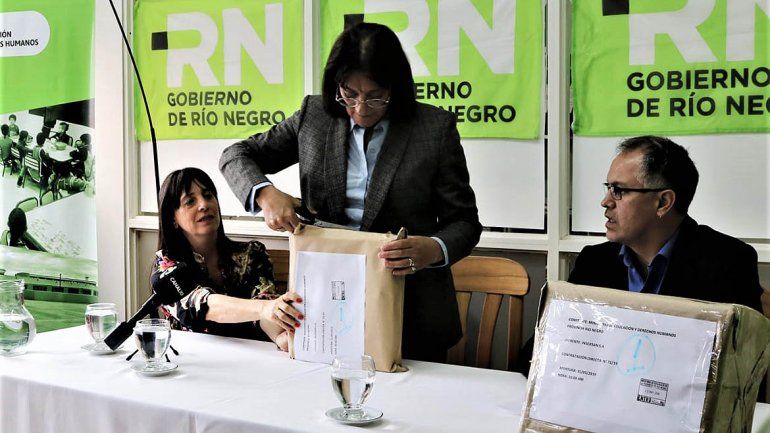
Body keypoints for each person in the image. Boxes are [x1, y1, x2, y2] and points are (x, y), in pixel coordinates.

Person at [220, 22, 482, 362]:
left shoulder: (433, 129)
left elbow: (465, 222)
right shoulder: (315, 116)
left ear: (396, 88)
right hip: (326, 307)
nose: (360, 108)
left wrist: (432, 249)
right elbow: (235, 155)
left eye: (375, 96)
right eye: (349, 94)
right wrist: (265, 193)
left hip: (412, 309)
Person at [568, 136, 762, 311]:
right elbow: (553, 343)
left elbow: (737, 348)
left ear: (663, 202)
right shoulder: (592, 262)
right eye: (608, 188)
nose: (606, 202)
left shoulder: (728, 263)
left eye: (619, 190)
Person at [153, 167, 303, 351]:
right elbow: (201, 306)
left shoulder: (252, 253)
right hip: (193, 362)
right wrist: (265, 308)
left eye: (208, 195)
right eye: (190, 201)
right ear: (173, 218)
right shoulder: (167, 267)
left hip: (252, 360)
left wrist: (279, 335)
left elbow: (264, 304)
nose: (204, 205)